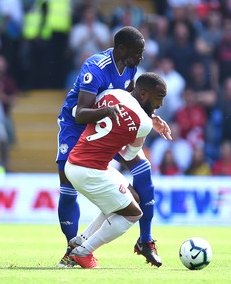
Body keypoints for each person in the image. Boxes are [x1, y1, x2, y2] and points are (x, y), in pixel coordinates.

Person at [56, 26, 171, 268]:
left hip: (109, 124)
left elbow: (129, 97)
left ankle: (146, 240)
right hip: (77, 126)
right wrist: (109, 112)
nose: (141, 58)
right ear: (121, 49)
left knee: (143, 168)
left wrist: (149, 116)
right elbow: (81, 113)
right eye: (138, 52)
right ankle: (72, 249)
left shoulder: (130, 65)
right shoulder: (95, 68)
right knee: (67, 187)